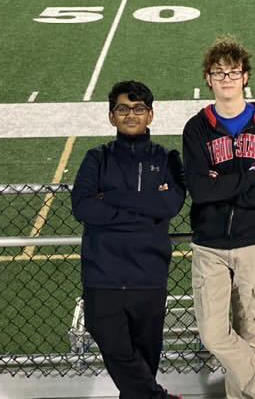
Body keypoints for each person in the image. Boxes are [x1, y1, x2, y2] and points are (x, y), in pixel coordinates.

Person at [182, 36, 255, 399]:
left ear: (245, 76)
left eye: (233, 72)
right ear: (208, 78)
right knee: (214, 335)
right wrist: (252, 178)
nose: (226, 79)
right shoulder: (196, 128)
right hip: (210, 247)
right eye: (219, 73)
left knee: (250, 338)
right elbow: (201, 191)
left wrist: (226, 187)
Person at [72, 80, 185, 399]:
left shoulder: (168, 158)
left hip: (148, 275)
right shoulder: (96, 158)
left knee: (143, 368)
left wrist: (111, 197)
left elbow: (170, 205)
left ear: (151, 115)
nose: (131, 114)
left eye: (138, 109)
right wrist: (146, 210)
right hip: (102, 275)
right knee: (118, 351)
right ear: (111, 116)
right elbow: (83, 207)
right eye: (122, 109)